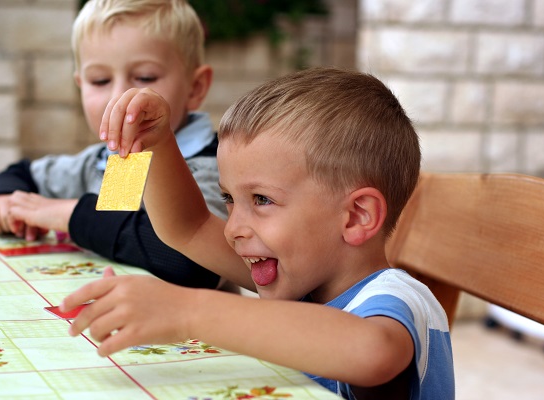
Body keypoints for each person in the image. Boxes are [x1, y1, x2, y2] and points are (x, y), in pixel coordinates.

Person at [61, 67, 455, 399]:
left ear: (355, 217)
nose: (233, 229)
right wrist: (158, 143)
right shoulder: (304, 274)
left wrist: (188, 311)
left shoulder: (395, 299)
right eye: (230, 199)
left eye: (262, 200)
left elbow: (373, 352)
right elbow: (189, 227)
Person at [0, 0, 226, 288]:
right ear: (79, 85)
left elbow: (196, 264)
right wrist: (2, 201)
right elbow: (22, 173)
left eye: (145, 77)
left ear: (195, 87)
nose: (119, 95)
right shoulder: (100, 161)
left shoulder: (215, 169)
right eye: (99, 80)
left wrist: (72, 215)